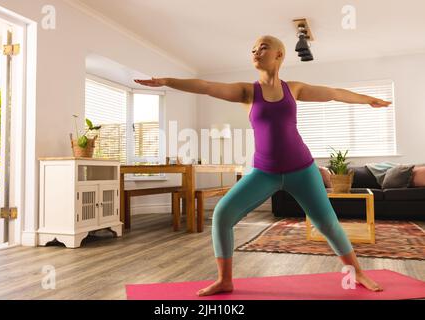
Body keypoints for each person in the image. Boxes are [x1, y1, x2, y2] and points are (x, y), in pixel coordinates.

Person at [134, 35, 390, 296]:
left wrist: (367, 99)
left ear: (279, 55)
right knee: (222, 215)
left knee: (327, 224)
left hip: (302, 170)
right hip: (263, 173)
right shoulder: (247, 92)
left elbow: (334, 94)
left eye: (263, 47)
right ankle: (225, 280)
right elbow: (205, 86)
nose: (256, 52)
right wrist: (167, 82)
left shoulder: (294, 88)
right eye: (253, 49)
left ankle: (357, 272)